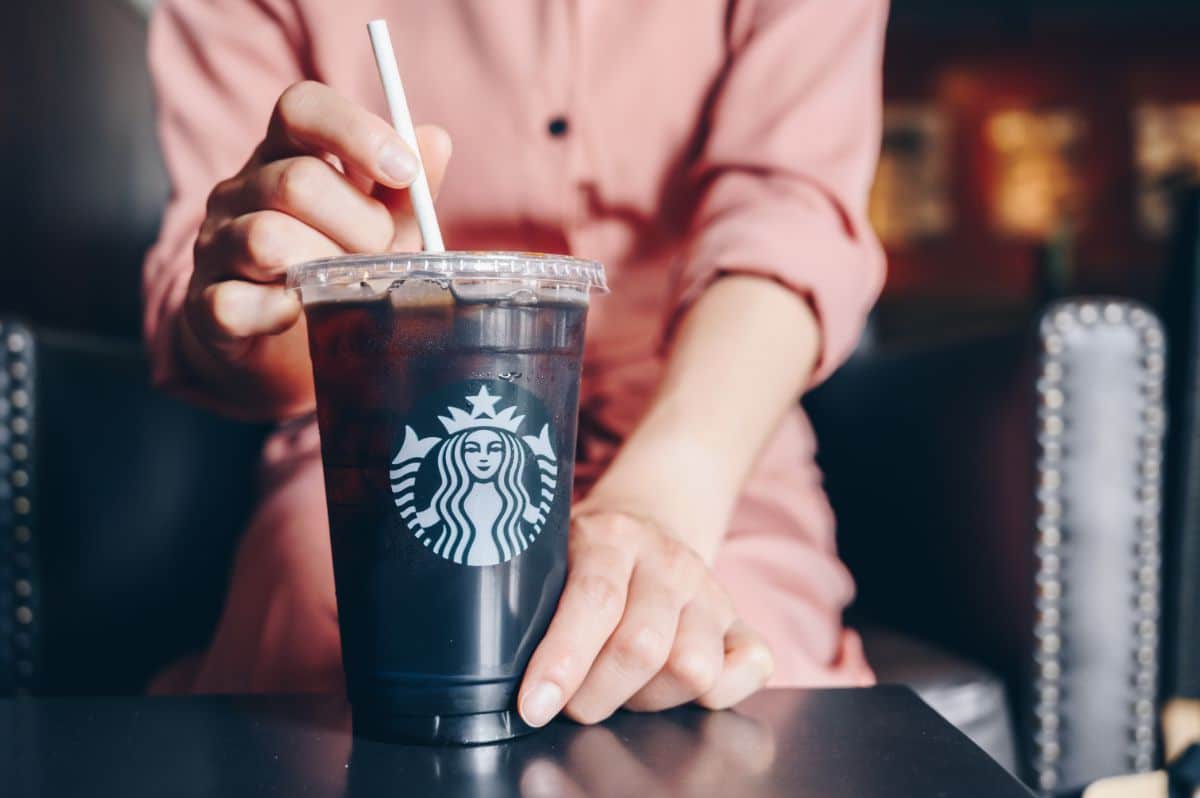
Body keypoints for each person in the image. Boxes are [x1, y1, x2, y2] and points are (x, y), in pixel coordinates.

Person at [143, 0, 888, 727]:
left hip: (710, 423)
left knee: (723, 678)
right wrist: (276, 283)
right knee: (323, 646)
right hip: (383, 431)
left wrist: (663, 502)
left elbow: (789, 217)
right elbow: (220, 307)